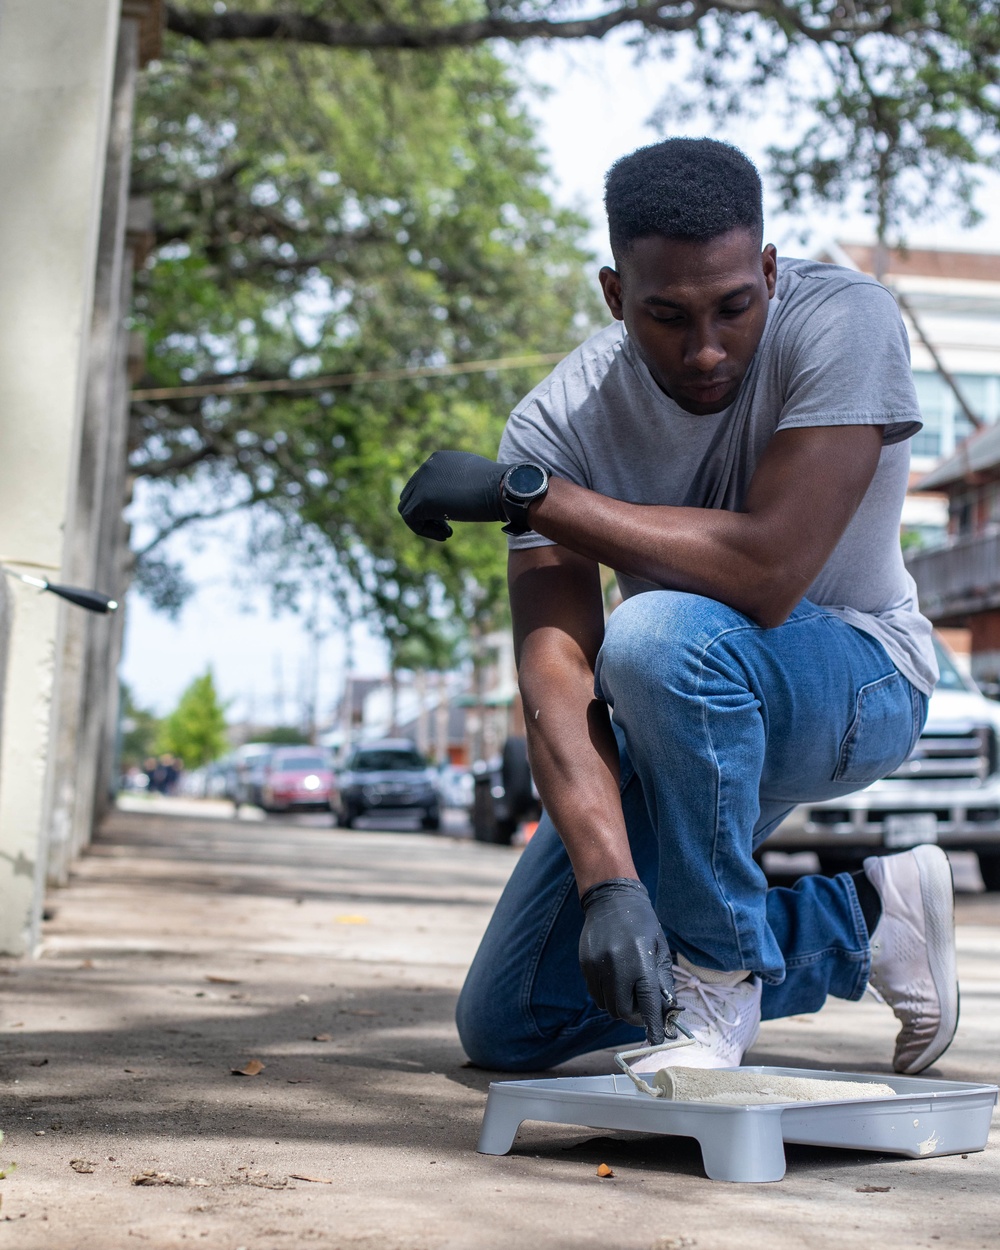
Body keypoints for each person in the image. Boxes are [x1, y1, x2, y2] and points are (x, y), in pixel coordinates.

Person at [398, 138, 958, 1076]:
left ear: (769, 271)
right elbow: (557, 665)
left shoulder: (844, 319)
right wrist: (608, 880)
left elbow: (769, 569)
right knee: (514, 1019)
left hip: (858, 683)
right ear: (616, 295)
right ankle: (861, 924)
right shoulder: (560, 420)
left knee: (657, 630)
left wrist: (528, 497)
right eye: (666, 316)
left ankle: (717, 977)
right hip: (684, 717)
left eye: (735, 306)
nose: (706, 348)